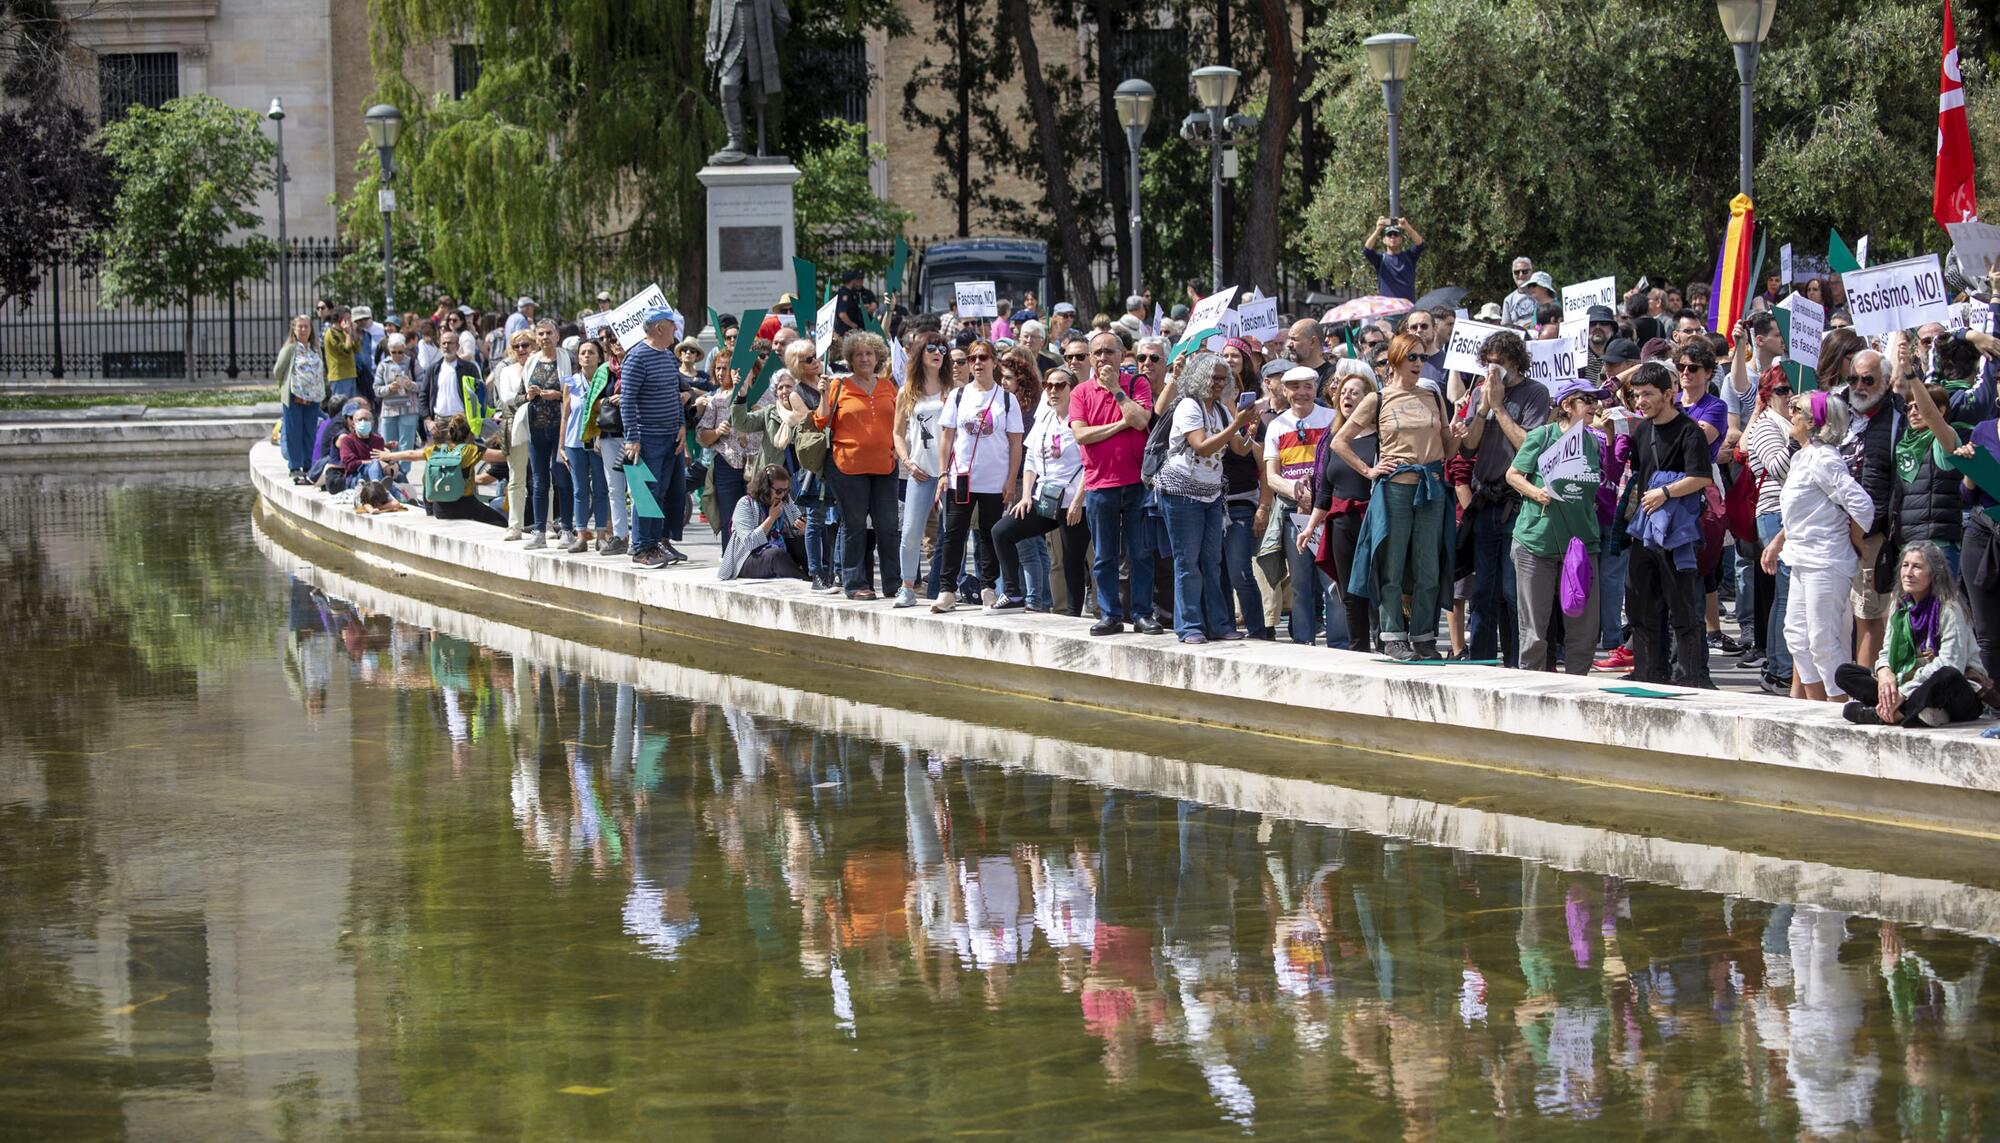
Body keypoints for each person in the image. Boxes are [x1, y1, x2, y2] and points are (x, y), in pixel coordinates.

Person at [1336, 332, 1455, 660]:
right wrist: (1368, 470)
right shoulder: (1378, 399)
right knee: (1392, 563)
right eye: (1412, 357)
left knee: (1428, 565)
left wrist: (1461, 432)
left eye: (1423, 357)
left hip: (1431, 488)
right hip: (1395, 491)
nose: (1419, 363)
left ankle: (1424, 636)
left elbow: (1448, 448)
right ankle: (1392, 636)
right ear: (1395, 360)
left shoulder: (1433, 394)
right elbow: (1339, 441)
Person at [1761, 391, 1874, 701]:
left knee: (1823, 640)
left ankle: (1838, 709)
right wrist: (1777, 541)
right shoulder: (1801, 456)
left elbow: (1862, 506)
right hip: (1801, 558)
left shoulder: (1825, 458)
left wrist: (1856, 539)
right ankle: (1815, 709)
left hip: (1826, 560)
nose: (1790, 411)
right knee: (1797, 637)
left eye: (1796, 408)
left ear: (1813, 421)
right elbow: (1803, 512)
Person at [1458, 330, 1551, 666]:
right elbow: (1469, 446)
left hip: (1518, 504)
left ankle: (1518, 663)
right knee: (1483, 591)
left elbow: (1530, 444)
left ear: (1516, 360)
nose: (1494, 368)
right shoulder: (1481, 393)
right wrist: (1482, 409)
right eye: (1489, 362)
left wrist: (1499, 407)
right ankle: (1480, 661)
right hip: (1486, 502)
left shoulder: (1535, 393)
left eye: (1501, 361)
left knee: (1514, 593)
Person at [1505, 378, 1609, 673]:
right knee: (1535, 633)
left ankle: (1577, 695)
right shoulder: (1543, 436)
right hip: (1537, 544)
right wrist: (1536, 493)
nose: (1594, 406)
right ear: (1567, 405)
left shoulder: (1591, 440)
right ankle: (1531, 697)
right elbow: (1513, 474)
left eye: (1595, 400)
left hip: (1581, 545)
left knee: (1584, 633)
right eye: (1586, 400)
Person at [1622, 362, 1716, 688]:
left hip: (1676, 534)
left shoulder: (1690, 431)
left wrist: (1665, 492)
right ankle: (1650, 677)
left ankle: (1687, 680)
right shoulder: (1642, 430)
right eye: (1636, 396)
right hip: (1643, 532)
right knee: (1641, 609)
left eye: (1647, 394)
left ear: (1668, 394)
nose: (1641, 401)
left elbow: (1702, 476)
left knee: (1683, 612)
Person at [1155, 350, 1259, 643]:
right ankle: (1189, 626)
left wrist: (1248, 428)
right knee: (1187, 562)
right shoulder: (1189, 406)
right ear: (1199, 377)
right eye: (1213, 377)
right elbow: (1201, 446)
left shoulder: (1223, 410)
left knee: (1212, 562)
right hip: (1181, 493)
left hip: (1211, 493)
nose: (1218, 383)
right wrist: (1236, 425)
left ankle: (1218, 624)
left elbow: (1239, 449)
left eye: (1223, 379)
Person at [1833, 543, 1986, 726]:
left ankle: (1886, 714)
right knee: (1845, 673)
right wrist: (1884, 672)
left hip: (1953, 693)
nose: (1908, 573)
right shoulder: (1899, 605)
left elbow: (1951, 662)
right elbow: (1886, 651)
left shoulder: (1949, 608)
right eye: (1905, 565)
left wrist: (1903, 693)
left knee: (1947, 675)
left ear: (1934, 574)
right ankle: (1918, 711)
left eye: (1917, 567)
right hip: (1905, 680)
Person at [1072, 330, 1161, 635]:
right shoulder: (1080, 392)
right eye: (1096, 353)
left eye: (1109, 352)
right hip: (1100, 485)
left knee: (1140, 554)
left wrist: (1117, 392)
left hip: (1136, 484)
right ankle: (1109, 614)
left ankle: (1141, 613)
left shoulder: (1138, 384)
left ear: (1123, 356)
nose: (1102, 358)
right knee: (1104, 557)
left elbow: (1140, 420)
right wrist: (1122, 423)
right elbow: (1082, 435)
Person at [930, 338, 1024, 612]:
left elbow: (1015, 443)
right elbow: (946, 438)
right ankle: (947, 589)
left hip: (994, 480)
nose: (978, 363)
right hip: (960, 478)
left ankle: (987, 587)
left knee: (988, 534)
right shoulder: (958, 396)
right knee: (953, 534)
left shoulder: (1007, 399)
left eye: (983, 357)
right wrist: (943, 473)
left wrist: (1010, 481)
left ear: (994, 361)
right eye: (972, 358)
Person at [992, 365, 1089, 615]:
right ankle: (1013, 593)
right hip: (1044, 498)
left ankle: (1073, 613)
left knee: (1072, 560)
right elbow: (1032, 460)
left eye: (1059, 385)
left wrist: (1079, 500)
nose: (1053, 390)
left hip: (1073, 502)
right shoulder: (1044, 418)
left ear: (1073, 389)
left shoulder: (1079, 420)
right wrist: (1025, 495)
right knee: (1001, 532)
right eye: (1048, 385)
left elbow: (1091, 464)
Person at [1299, 361, 1380, 654]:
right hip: (1340, 523)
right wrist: (1309, 527)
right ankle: (1358, 649)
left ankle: (1384, 643)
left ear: (1369, 399)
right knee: (1348, 591)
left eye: (1355, 393)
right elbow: (1325, 491)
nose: (1346, 397)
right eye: (1343, 392)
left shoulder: (1381, 437)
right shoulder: (1332, 438)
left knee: (1377, 587)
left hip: (1372, 519)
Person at [816, 331, 903, 599]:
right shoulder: (837, 385)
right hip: (847, 467)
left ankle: (894, 583)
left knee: (888, 526)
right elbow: (820, 421)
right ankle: (855, 584)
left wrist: (900, 448)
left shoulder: (889, 386)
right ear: (850, 359)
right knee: (853, 525)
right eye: (858, 354)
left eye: (869, 354)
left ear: (877, 357)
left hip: (886, 466)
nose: (864, 359)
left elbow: (901, 420)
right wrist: (821, 395)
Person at [1265, 364, 1340, 646]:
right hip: (1292, 513)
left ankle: (1338, 643)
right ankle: (1303, 642)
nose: (1301, 392)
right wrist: (1297, 490)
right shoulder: (1276, 425)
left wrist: (1317, 493)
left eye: (1307, 386)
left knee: (1331, 582)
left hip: (1327, 512)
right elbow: (1272, 477)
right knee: (1300, 585)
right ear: (1284, 391)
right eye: (1295, 387)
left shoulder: (1332, 418)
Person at [621, 307, 690, 568]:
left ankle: (656, 543)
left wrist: (681, 424)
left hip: (670, 435)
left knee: (663, 493)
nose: (676, 330)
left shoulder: (669, 358)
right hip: (646, 437)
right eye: (673, 325)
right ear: (660, 327)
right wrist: (632, 438)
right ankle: (642, 549)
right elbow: (627, 401)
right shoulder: (637, 357)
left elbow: (675, 393)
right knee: (645, 494)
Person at [1742, 365, 1797, 694]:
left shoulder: (1789, 422)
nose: (1789, 396)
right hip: (1775, 513)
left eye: (1791, 390)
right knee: (1786, 593)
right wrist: (1797, 440)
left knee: (1787, 594)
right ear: (1766, 395)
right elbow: (1777, 466)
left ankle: (1781, 665)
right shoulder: (1766, 425)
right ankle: (1780, 668)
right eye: (1781, 390)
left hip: (1792, 513)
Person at [892, 330, 952, 606]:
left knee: (951, 532)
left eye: (942, 348)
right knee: (911, 531)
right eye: (931, 348)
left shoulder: (953, 390)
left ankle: (948, 587)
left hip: (948, 472)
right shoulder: (906, 391)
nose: (938, 352)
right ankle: (907, 586)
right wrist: (906, 460)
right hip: (919, 472)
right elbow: (896, 433)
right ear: (919, 353)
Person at [373, 414, 508, 526]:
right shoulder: (470, 450)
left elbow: (411, 455)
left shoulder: (436, 450)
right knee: (501, 522)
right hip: (466, 506)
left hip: (440, 510)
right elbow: (502, 456)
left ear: (449, 433)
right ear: (468, 436)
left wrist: (388, 455)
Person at [558, 340, 612, 554]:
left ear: (599, 356)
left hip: (598, 442)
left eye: (591, 352)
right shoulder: (571, 382)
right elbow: (566, 414)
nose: (587, 356)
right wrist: (561, 445)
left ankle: (601, 535)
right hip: (574, 442)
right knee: (580, 490)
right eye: (583, 353)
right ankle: (580, 535)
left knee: (601, 488)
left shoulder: (604, 381)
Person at [719, 464, 809, 580]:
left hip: (778, 549)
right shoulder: (745, 504)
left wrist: (803, 528)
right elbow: (749, 542)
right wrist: (771, 518)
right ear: (765, 488)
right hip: (747, 558)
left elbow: (796, 528)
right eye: (778, 491)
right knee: (776, 555)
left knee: (803, 543)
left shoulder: (785, 501)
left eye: (785, 491)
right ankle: (806, 580)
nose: (782, 495)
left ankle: (819, 576)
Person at [274, 315, 327, 481]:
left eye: (306, 327)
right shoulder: (290, 349)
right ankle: (295, 466)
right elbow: (278, 371)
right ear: (294, 329)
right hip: (294, 398)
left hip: (313, 398)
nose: (303, 330)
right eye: (300, 327)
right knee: (294, 432)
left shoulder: (315, 349)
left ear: (311, 329)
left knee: (309, 432)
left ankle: (308, 464)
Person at [1362, 216, 1425, 301]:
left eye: (1396, 234)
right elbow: (1367, 250)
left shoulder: (1409, 257)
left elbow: (1420, 244)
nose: (1392, 237)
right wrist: (1378, 230)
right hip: (1388, 310)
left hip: (1408, 309)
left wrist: (1407, 227)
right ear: (1384, 240)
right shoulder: (1380, 260)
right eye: (1389, 234)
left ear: (1401, 239)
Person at [374, 334, 420, 449]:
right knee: (389, 445)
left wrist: (410, 385)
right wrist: (389, 388)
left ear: (404, 348)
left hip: (409, 409)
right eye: (394, 352)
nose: (397, 355)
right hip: (389, 410)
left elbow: (423, 384)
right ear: (389, 350)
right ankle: (391, 467)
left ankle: (404, 468)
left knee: (406, 445)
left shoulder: (412, 362)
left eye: (400, 352)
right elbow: (376, 389)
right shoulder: (383, 365)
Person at [323, 306, 359, 399]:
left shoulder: (345, 332)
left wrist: (354, 333)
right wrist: (348, 334)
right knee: (340, 407)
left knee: (351, 407)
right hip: (339, 376)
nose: (350, 321)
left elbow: (356, 349)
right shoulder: (331, 333)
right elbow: (346, 350)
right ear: (339, 319)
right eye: (347, 319)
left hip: (350, 374)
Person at [1500, 257, 1538, 327]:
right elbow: (1506, 326)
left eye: (1524, 271)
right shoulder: (1508, 300)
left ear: (1531, 273)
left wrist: (1535, 328)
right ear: (1513, 275)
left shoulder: (1541, 293)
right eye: (1516, 272)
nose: (1521, 275)